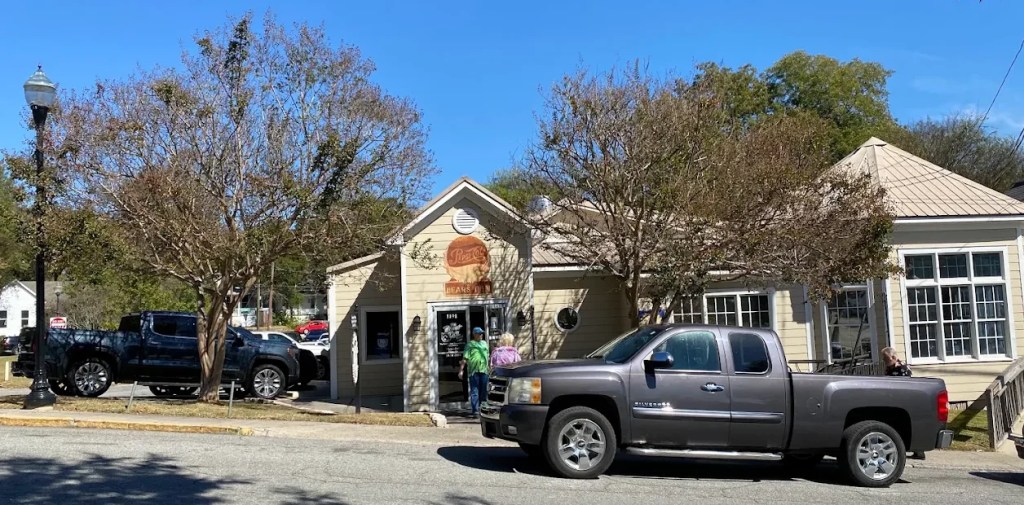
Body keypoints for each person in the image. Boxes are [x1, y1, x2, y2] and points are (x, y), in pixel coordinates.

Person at [459, 327, 490, 418]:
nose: (481, 335)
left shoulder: (485, 344)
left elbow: (487, 356)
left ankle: (483, 409)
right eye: (479, 333)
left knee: (483, 391)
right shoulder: (470, 345)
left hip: (484, 370)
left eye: (482, 333)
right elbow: (465, 358)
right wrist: (461, 370)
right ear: (474, 334)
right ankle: (475, 410)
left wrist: (490, 367)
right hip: (473, 371)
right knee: (475, 391)